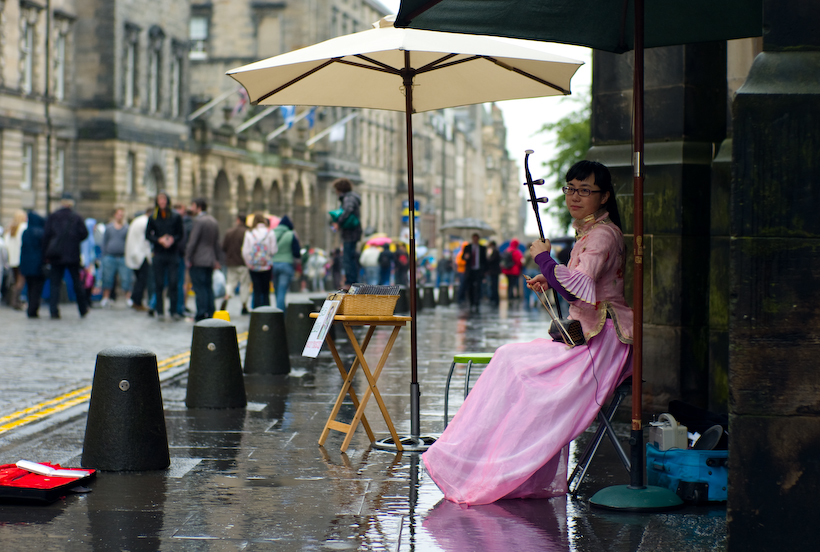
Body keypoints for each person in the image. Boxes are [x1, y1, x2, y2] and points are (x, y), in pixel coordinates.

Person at [422, 160, 633, 505]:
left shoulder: (603, 234)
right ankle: (488, 464)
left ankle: (501, 468)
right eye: (570, 189)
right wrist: (549, 275)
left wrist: (546, 261)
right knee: (509, 360)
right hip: (585, 335)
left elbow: (577, 288)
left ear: (605, 196)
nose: (575, 197)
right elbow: (580, 281)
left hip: (602, 341)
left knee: (517, 368)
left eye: (585, 190)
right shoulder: (591, 231)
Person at [42, 193, 90, 319]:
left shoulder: (53, 216)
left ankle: (53, 310)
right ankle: (82, 308)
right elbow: (84, 234)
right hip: (72, 254)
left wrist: (45, 255)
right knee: (76, 282)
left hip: (56, 255)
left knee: (55, 283)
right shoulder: (76, 217)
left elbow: (46, 235)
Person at [145, 191, 183, 320]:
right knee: (159, 283)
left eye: (164, 200)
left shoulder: (175, 216)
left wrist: (172, 239)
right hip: (159, 253)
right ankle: (159, 311)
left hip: (172, 253)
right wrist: (158, 240)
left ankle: (173, 311)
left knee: (173, 283)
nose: (162, 202)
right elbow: (148, 235)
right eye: (159, 200)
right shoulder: (153, 217)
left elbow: (181, 234)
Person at [185, 198, 221, 321]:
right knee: (208, 286)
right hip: (210, 259)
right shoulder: (213, 221)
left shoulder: (199, 221)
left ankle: (201, 313)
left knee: (199, 287)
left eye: (193, 206)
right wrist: (217, 259)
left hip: (198, 259)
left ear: (198, 207)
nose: (191, 209)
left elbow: (192, 242)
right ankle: (211, 311)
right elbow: (217, 243)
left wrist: (187, 257)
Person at [242, 212, 278, 309]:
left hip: (254, 266)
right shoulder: (270, 232)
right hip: (267, 265)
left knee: (256, 289)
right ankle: (267, 312)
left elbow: (245, 251)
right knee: (266, 290)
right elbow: (273, 250)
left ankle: (256, 313)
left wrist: (248, 263)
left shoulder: (249, 233)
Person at [331, 178, 362, 289]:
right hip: (352, 232)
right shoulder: (351, 197)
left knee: (347, 258)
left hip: (351, 232)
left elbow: (348, 210)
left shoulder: (348, 198)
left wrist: (339, 222)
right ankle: (352, 282)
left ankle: (350, 282)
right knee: (349, 257)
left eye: (336, 189)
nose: (335, 192)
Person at [100, 207, 132, 307]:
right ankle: (106, 298)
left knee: (126, 278)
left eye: (122, 214)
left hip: (122, 257)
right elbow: (104, 242)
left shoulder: (127, 228)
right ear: (115, 215)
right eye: (119, 214)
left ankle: (128, 298)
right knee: (107, 278)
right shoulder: (109, 228)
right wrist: (104, 255)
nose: (120, 216)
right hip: (110, 256)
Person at [221, 213, 250, 314]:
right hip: (243, 263)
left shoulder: (229, 232)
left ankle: (227, 297)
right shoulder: (247, 232)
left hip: (231, 262)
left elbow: (223, 247)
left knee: (230, 283)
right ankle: (244, 306)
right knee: (244, 285)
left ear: (238, 220)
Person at [270, 215, 300, 311]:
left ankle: (278, 309)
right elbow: (296, 252)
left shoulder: (272, 233)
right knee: (282, 290)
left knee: (276, 289)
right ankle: (280, 312)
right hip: (286, 264)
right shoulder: (291, 234)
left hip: (273, 264)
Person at [125, 208, 153, 312]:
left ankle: (136, 300)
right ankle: (137, 301)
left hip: (134, 254)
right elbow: (146, 240)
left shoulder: (138, 220)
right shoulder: (146, 222)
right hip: (141, 255)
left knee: (139, 280)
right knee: (142, 280)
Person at [19, 211, 46, 318]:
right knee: (37, 288)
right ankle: (33, 309)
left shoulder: (25, 232)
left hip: (26, 265)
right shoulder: (41, 232)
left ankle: (30, 308)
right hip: (38, 263)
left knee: (30, 287)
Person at [4, 210, 27, 310]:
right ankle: (15, 301)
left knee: (15, 280)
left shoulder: (10, 228)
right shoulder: (23, 227)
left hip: (12, 259)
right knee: (20, 281)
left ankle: (11, 300)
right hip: (20, 258)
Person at [461, 233, 487, 313]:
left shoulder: (482, 248)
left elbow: (485, 261)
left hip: (478, 271)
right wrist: (466, 257)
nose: (475, 240)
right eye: (474, 238)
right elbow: (463, 257)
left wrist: (484, 272)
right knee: (470, 288)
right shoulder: (467, 247)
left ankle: (477, 303)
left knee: (478, 287)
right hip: (470, 271)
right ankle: (471, 303)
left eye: (476, 238)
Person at [485, 240, 501, 306]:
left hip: (494, 272)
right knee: (493, 285)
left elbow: (491, 260)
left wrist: (487, 257)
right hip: (494, 271)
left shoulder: (495, 251)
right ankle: (494, 299)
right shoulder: (496, 251)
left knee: (494, 286)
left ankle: (495, 299)